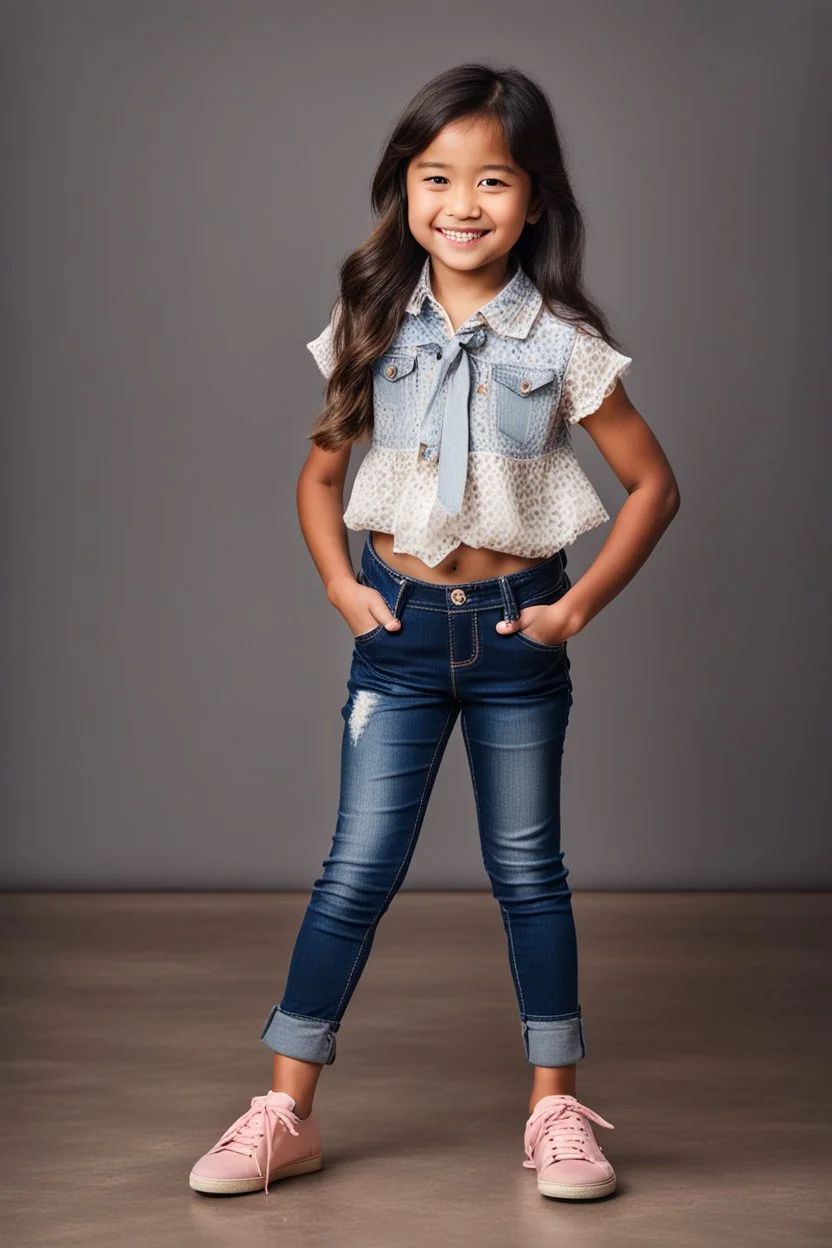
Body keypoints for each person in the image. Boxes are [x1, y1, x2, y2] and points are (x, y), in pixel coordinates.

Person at [189, 61, 680, 1203]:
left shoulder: (559, 344)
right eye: (435, 177)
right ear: (403, 189)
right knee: (356, 868)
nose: (462, 204)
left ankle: (554, 1112)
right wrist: (337, 586)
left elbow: (652, 484)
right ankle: (284, 1109)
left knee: (527, 872)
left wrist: (574, 607)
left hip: (517, 642)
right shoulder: (369, 320)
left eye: (492, 180)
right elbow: (318, 479)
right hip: (397, 638)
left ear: (535, 201)